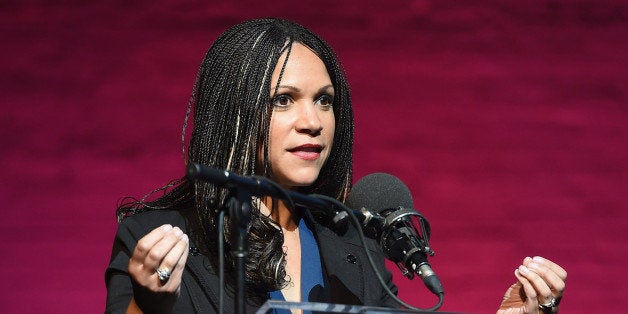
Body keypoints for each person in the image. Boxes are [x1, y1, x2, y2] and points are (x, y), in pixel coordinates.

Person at [105, 18, 567, 313]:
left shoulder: (352, 242)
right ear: (234, 115)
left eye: (324, 102)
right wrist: (151, 302)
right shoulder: (155, 237)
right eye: (284, 101)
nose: (313, 123)